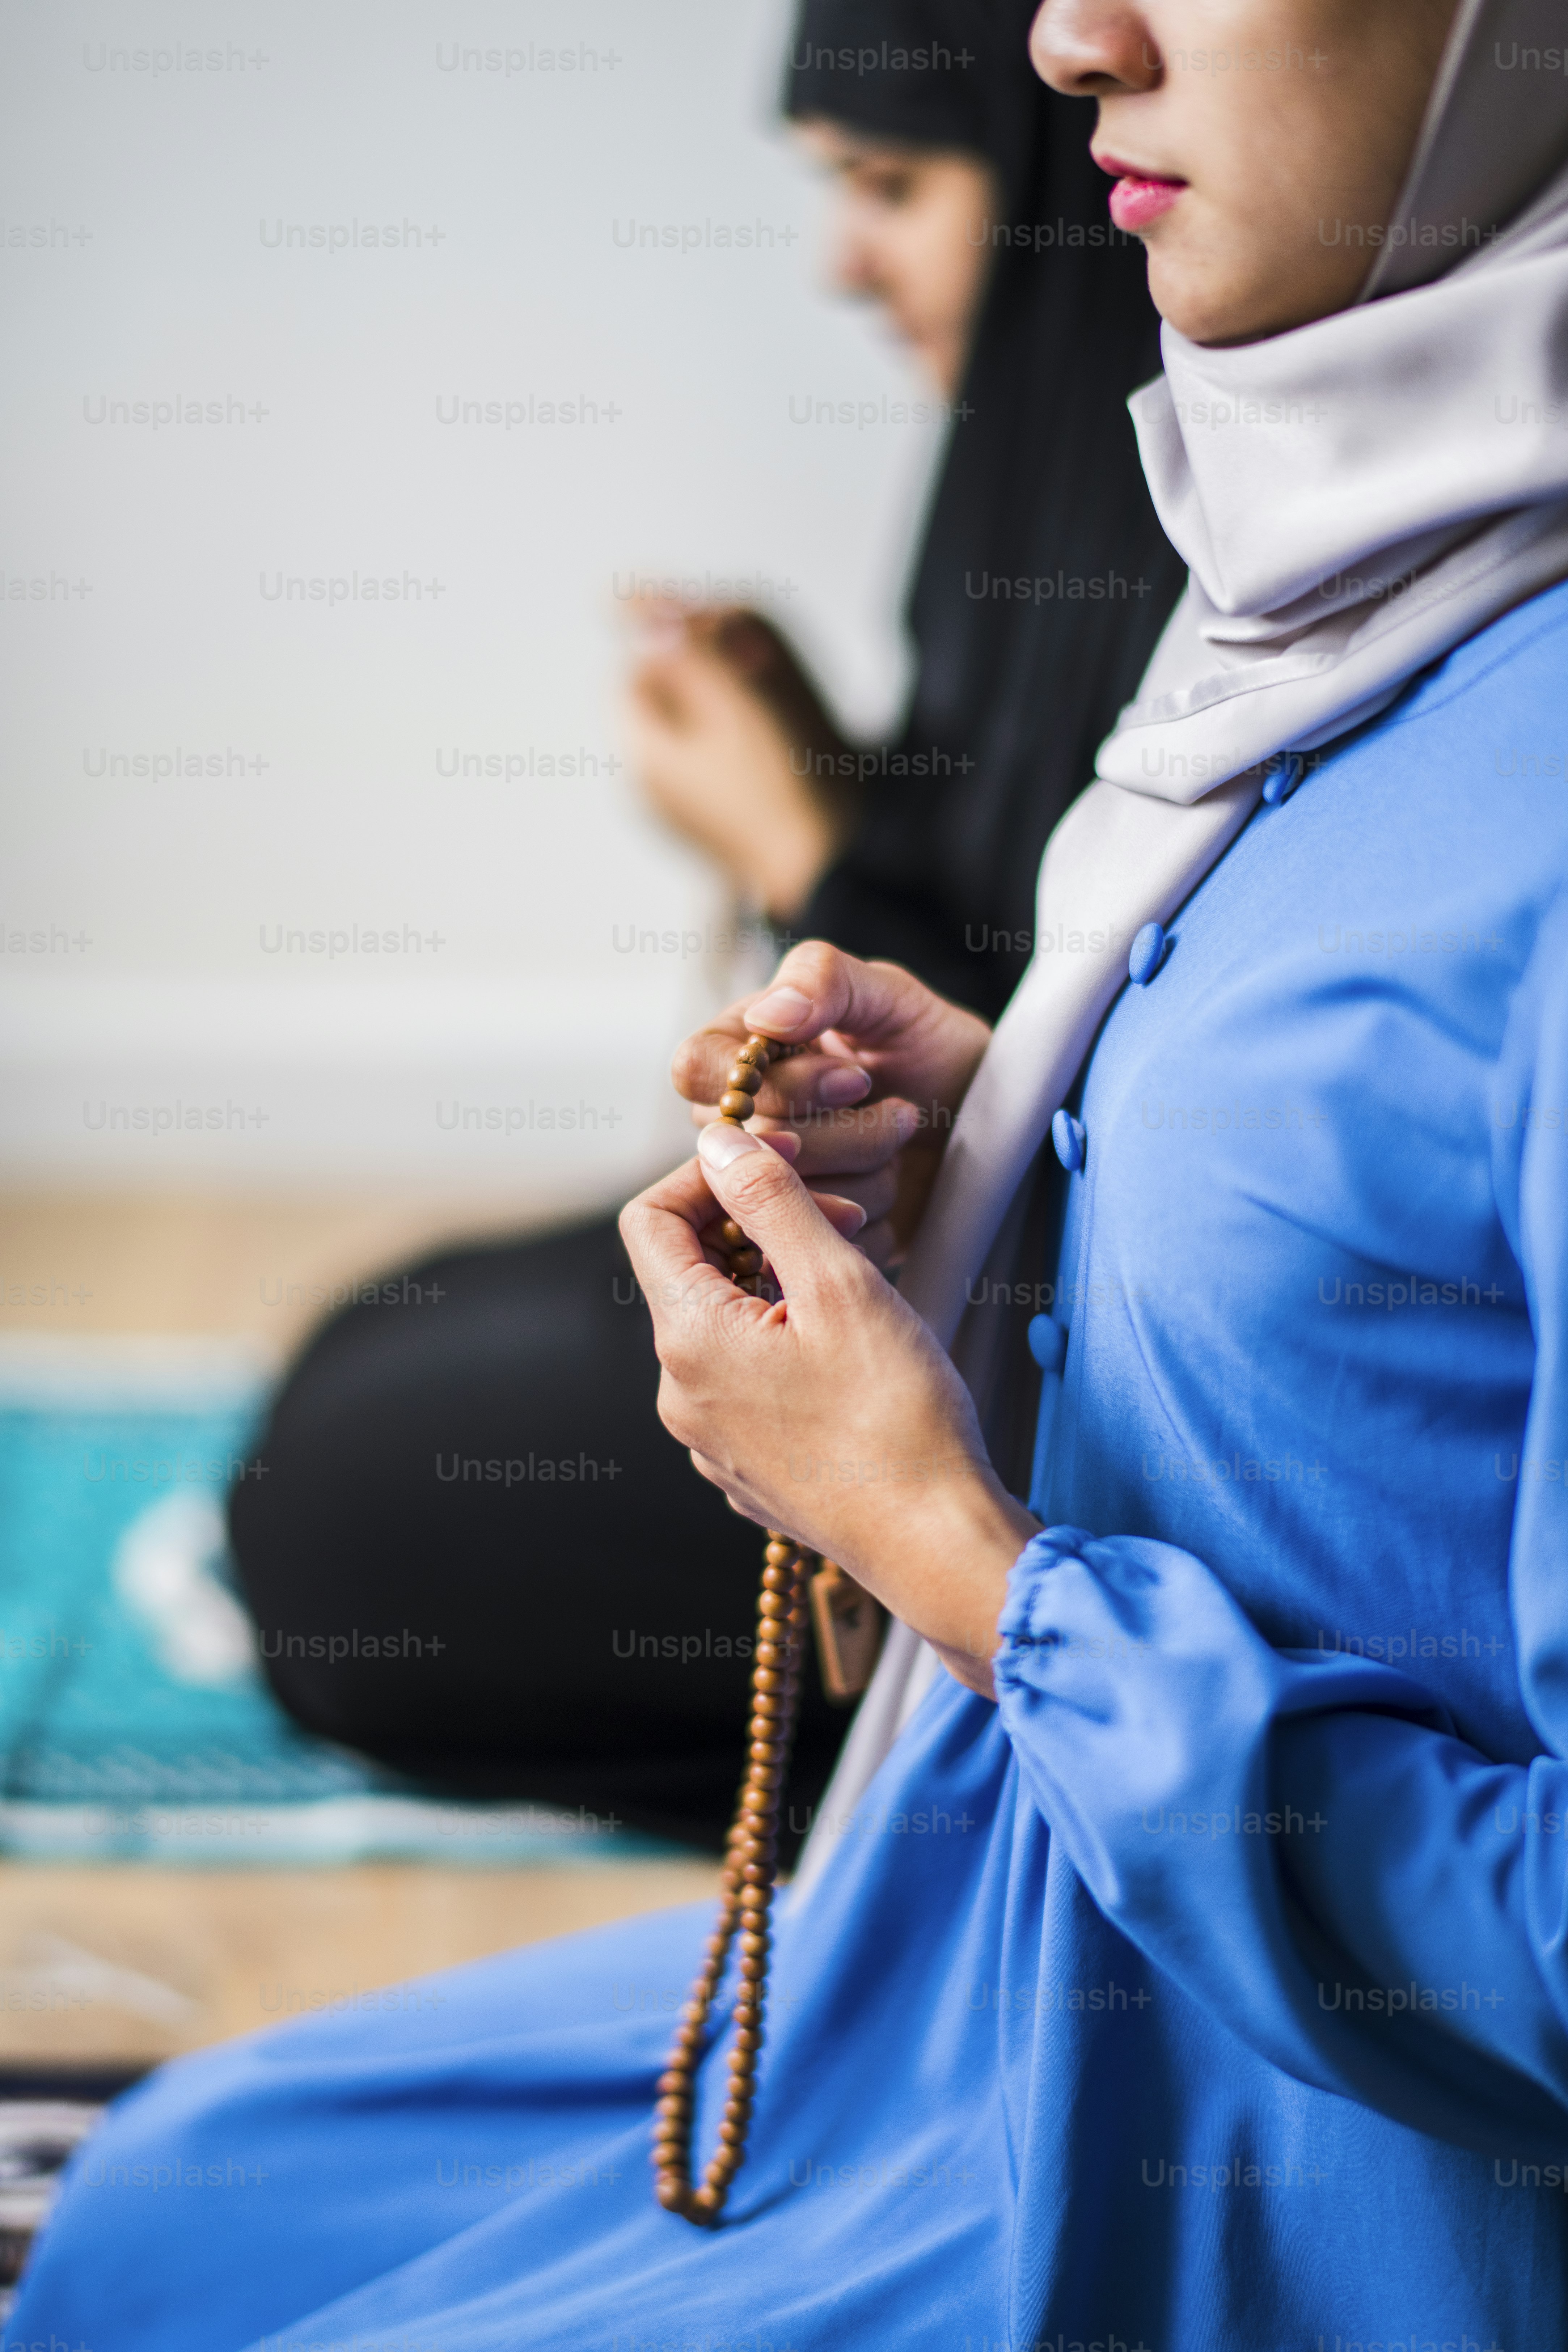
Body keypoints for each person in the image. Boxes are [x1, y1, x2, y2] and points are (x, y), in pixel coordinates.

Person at [23, 0, 1568, 2343]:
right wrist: (1011, 1166)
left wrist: (941, 1553)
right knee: (158, 2211)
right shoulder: (1344, 582)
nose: (1071, 33)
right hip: (981, 1957)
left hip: (1266, 2171)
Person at [225, 0, 1181, 1852]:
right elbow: (1018, 917)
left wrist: (794, 838)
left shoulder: (1243, 533)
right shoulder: (1047, 470)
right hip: (952, 1268)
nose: (843, 262)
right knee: (369, 1353)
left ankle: (970, 1769)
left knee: (340, 1508)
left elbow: (1066, 1133)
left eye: (889, 186)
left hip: (1040, 1380)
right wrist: (830, 781)